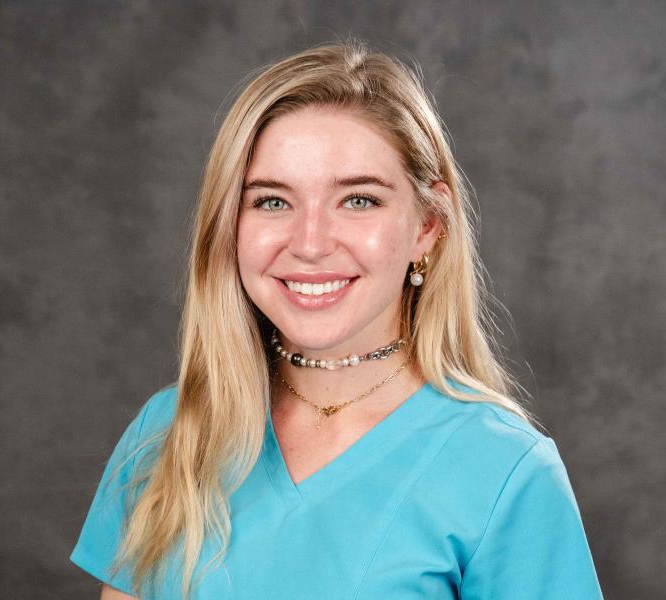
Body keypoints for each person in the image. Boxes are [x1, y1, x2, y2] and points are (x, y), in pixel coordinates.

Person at [70, 40, 604, 599]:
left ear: (427, 224)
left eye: (358, 200)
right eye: (272, 201)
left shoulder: (507, 472)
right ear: (229, 226)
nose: (310, 244)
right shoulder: (168, 431)